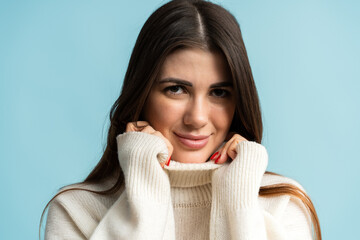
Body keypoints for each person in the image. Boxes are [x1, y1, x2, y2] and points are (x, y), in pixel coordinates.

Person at [41, 0, 321, 239]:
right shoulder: (76, 211)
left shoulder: (283, 204)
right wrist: (145, 183)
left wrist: (238, 199)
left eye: (219, 92)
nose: (197, 118)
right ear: (142, 93)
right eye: (176, 89)